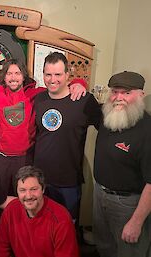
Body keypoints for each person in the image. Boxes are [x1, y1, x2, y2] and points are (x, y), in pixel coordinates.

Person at [0, 58, 87, 196]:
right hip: (1, 158)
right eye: (9, 73)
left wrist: (79, 83)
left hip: (25, 158)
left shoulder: (35, 93)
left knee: (24, 198)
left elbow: (58, 85)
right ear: (4, 76)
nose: (13, 77)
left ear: (23, 76)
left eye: (17, 73)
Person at [33, 52, 102, 224]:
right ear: (43, 75)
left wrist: (80, 84)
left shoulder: (84, 100)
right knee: (41, 226)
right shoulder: (38, 99)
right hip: (40, 179)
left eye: (57, 74)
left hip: (68, 181)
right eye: (48, 74)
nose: (52, 79)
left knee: (66, 228)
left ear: (67, 75)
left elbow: (107, 129)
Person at [93, 71, 151, 257]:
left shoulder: (147, 130)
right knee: (104, 247)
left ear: (141, 95)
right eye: (115, 92)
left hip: (129, 204)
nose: (119, 98)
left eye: (126, 93)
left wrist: (136, 221)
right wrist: (77, 84)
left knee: (129, 252)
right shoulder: (107, 116)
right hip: (99, 194)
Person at [0, 165, 79, 257]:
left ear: (43, 189)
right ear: (17, 192)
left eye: (34, 189)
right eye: (22, 190)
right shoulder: (10, 210)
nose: (29, 196)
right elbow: (1, 247)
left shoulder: (61, 219)